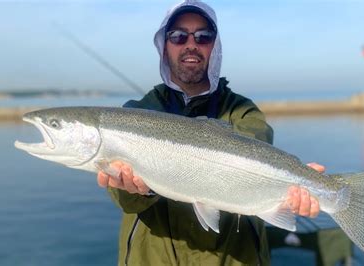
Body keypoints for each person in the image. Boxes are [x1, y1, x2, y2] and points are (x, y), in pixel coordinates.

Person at [97, 1, 324, 265]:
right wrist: (132, 189)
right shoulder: (138, 111)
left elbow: (255, 156)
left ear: (215, 46)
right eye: (178, 36)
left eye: (203, 36)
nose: (190, 44)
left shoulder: (243, 111)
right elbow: (124, 200)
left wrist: (299, 188)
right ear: (164, 45)